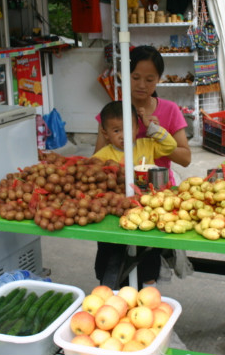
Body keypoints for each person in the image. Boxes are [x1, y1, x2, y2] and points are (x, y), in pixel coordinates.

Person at [93, 45, 191, 289]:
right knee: (111, 249)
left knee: (147, 253)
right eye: (135, 77)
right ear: (125, 76)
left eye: (150, 79)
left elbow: (185, 157)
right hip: (117, 195)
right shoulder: (113, 113)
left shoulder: (169, 110)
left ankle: (147, 296)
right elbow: (97, 158)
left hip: (155, 195)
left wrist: (157, 133)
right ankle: (113, 292)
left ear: (159, 79)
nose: (141, 85)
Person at [93, 100, 177, 165]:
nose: (123, 136)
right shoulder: (103, 155)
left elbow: (170, 145)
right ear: (106, 134)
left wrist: (151, 127)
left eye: (128, 129)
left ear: (137, 129)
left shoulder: (147, 145)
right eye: (116, 131)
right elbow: (91, 167)